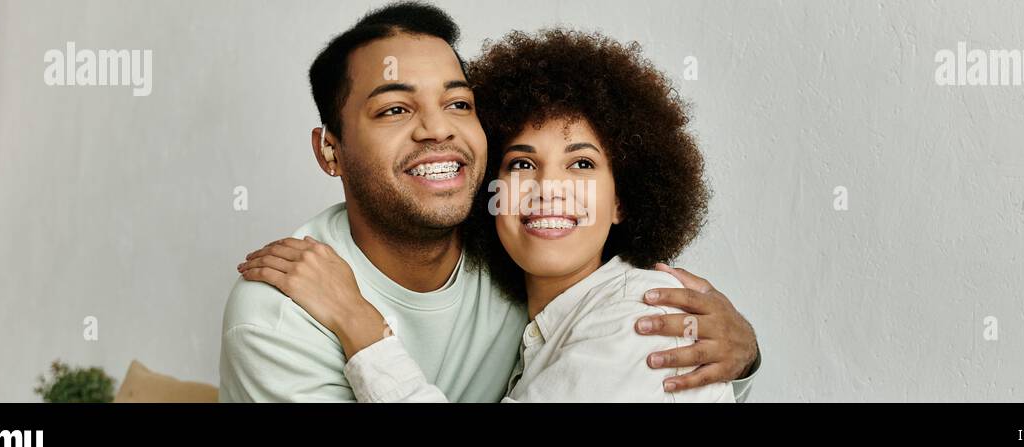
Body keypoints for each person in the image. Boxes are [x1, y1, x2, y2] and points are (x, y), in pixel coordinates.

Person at [221, 1, 759, 402]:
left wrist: (744, 357)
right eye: (393, 110)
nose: (437, 129)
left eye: (458, 103)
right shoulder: (279, 317)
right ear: (330, 150)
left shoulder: (627, 309)